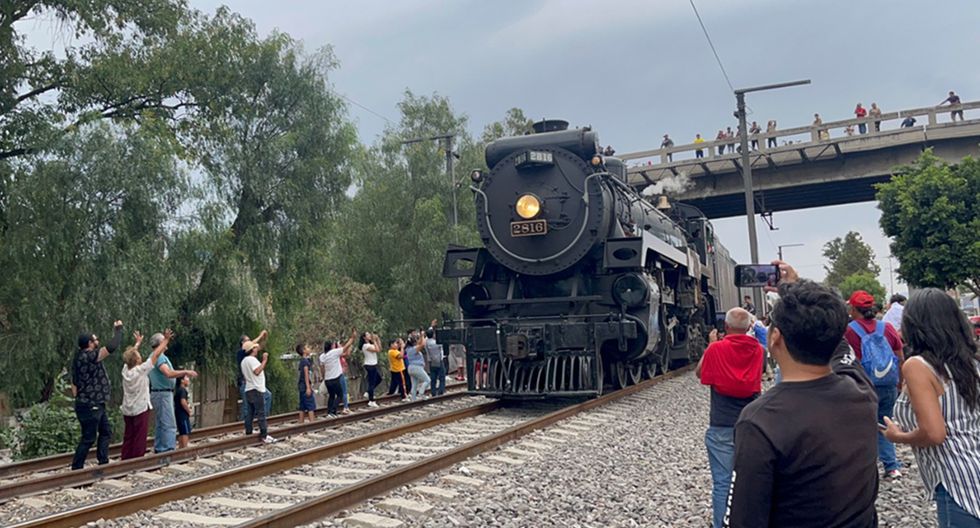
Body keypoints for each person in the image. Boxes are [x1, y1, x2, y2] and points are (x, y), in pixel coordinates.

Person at [726, 261, 879, 527]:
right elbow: (836, 339)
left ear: (775, 338)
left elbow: (744, 518)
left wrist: (792, 291)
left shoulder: (760, 421)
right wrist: (795, 289)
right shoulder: (861, 391)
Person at [883, 288, 980, 527]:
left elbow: (934, 433)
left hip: (955, 477)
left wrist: (899, 436)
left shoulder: (918, 366)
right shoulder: (971, 361)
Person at [696, 308, 763, 528]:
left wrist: (710, 345)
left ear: (726, 326)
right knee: (752, 482)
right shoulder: (758, 350)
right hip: (752, 425)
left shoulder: (716, 349)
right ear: (749, 327)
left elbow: (700, 373)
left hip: (721, 425)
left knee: (723, 483)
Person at [844, 290, 906, 479]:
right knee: (885, 422)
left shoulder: (849, 330)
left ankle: (863, 468)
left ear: (854, 309)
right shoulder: (886, 327)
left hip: (862, 384)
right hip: (888, 382)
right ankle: (891, 466)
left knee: (860, 425)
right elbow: (900, 356)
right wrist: (900, 381)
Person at [71, 321, 123, 470]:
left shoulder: (78, 358)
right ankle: (76, 468)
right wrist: (118, 330)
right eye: (95, 340)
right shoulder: (88, 356)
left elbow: (74, 383)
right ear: (89, 343)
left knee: (106, 431)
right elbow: (111, 347)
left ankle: (103, 461)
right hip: (90, 403)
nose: (98, 342)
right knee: (88, 437)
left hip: (95, 403)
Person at [120, 329, 171, 460]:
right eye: (138, 355)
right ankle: (137, 459)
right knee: (139, 436)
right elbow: (155, 355)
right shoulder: (141, 370)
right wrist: (165, 340)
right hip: (140, 407)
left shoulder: (125, 371)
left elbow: (129, 356)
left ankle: (126, 457)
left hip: (127, 408)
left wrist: (137, 343)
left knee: (129, 435)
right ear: (136, 359)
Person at [148, 332, 198, 454]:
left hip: (159, 393)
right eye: (165, 341)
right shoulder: (159, 357)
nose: (167, 344)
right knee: (168, 423)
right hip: (163, 393)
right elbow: (168, 373)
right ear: (160, 343)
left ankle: (160, 448)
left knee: (161, 423)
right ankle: (168, 450)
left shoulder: (155, 356)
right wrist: (186, 371)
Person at [241, 340, 276, 443]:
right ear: (252, 350)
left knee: (250, 413)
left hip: (248, 389)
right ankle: (264, 435)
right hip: (257, 389)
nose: (257, 349)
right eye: (255, 348)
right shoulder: (252, 360)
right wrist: (264, 360)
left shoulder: (243, 361)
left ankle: (248, 432)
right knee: (261, 413)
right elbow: (257, 371)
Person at [321, 331, 356, 416]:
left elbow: (322, 368)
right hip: (335, 378)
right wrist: (352, 338)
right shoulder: (334, 352)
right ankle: (333, 411)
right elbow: (346, 347)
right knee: (340, 396)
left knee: (332, 396)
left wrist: (323, 377)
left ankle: (329, 412)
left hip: (327, 379)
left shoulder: (322, 356)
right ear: (331, 346)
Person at [237, 330, 268, 421]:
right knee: (247, 407)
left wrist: (264, 338)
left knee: (267, 396)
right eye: (248, 340)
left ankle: (260, 419)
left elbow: (259, 346)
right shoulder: (241, 352)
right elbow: (251, 345)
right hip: (247, 382)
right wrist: (260, 335)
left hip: (255, 384)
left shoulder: (250, 355)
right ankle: (247, 423)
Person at [359, 332, 383, 407]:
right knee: (371, 383)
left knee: (379, 379)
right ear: (364, 337)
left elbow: (380, 348)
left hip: (373, 364)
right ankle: (371, 400)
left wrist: (377, 339)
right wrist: (375, 341)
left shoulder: (370, 344)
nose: (370, 336)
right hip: (369, 365)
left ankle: (368, 392)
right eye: (368, 335)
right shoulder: (365, 346)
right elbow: (377, 350)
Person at [404, 336, 431, 401]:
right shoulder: (414, 349)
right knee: (427, 380)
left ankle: (413, 400)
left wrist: (422, 335)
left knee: (414, 384)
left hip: (411, 368)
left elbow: (419, 343)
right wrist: (425, 338)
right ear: (414, 343)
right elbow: (422, 344)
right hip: (416, 367)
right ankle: (421, 393)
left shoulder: (408, 349)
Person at [296, 343, 315, 423]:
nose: (309, 348)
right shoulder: (305, 362)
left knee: (302, 407)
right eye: (307, 347)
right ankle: (312, 424)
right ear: (304, 351)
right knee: (310, 406)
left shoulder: (302, 361)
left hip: (301, 386)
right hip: (305, 386)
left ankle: (301, 424)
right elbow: (306, 374)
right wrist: (308, 387)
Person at [425, 327, 446, 397]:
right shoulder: (437, 343)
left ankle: (433, 391)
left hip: (431, 361)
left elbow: (425, 338)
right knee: (442, 377)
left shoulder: (426, 343)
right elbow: (442, 346)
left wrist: (430, 327)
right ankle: (441, 390)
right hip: (439, 360)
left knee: (433, 377)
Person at [174, 375, 192, 449]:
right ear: (182, 380)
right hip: (183, 414)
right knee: (185, 432)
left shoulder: (178, 390)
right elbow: (183, 402)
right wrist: (189, 411)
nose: (188, 380)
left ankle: (180, 448)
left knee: (181, 431)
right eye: (186, 378)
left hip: (178, 413)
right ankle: (184, 448)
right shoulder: (183, 390)